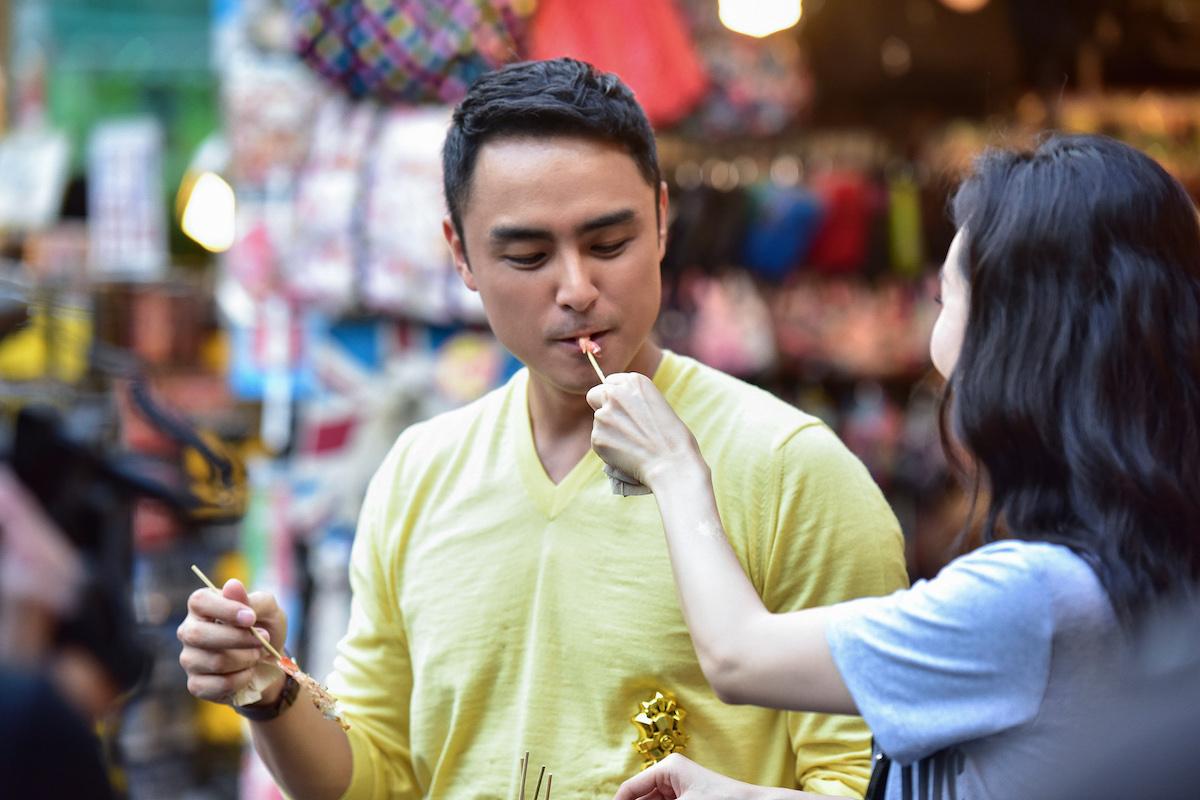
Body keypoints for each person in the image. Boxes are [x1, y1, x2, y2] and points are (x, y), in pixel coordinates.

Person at [176, 58, 908, 799]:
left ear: (661, 221)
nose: (577, 289)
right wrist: (269, 693)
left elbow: (869, 779)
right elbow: (374, 778)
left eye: (609, 244)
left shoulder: (793, 471)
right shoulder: (421, 471)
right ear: (459, 253)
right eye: (527, 255)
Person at [589, 134, 1200, 800]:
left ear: (1009, 333)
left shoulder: (1032, 600)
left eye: (945, 298)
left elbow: (737, 656)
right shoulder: (1140, 576)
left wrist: (674, 466)